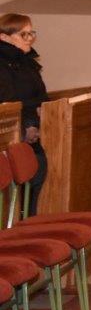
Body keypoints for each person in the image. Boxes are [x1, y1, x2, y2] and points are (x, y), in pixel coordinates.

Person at [0, 13, 48, 216]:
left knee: (40, 170)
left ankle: (30, 218)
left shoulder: (27, 61)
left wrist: (44, 110)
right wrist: (29, 124)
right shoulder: (2, 64)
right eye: (23, 34)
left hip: (33, 125)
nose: (29, 38)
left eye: (31, 33)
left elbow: (40, 95)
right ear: (4, 37)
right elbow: (8, 101)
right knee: (34, 171)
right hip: (16, 130)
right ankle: (22, 221)